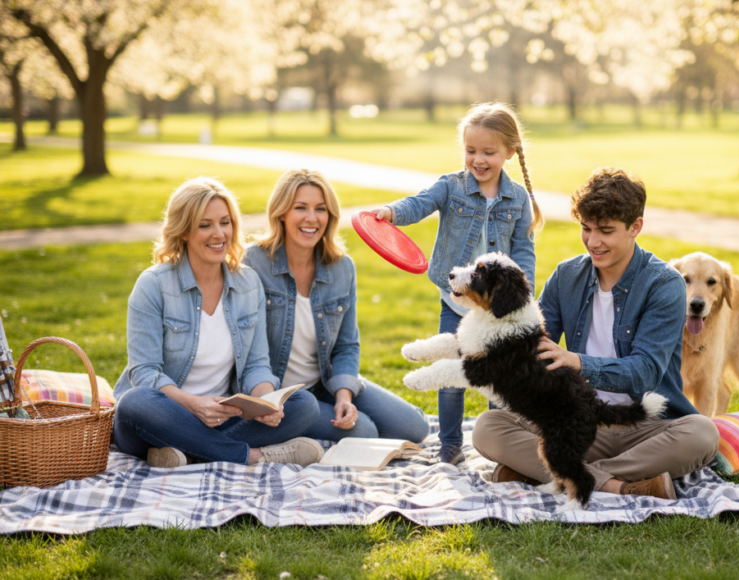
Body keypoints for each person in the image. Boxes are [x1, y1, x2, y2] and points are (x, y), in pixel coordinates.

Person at [472, 167, 720, 499]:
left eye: (605, 230)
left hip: (643, 427)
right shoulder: (566, 276)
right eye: (586, 228)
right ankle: (619, 486)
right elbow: (529, 343)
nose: (593, 241)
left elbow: (644, 373)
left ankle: (553, 472)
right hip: (574, 421)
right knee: (489, 427)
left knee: (703, 433)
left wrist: (577, 362)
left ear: (636, 227)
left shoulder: (664, 284)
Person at [374, 102, 543, 464]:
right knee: (451, 371)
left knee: (497, 378)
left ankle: (502, 443)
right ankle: (451, 443)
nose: (477, 160)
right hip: (456, 301)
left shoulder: (516, 200)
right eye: (470, 151)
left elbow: (523, 251)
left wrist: (521, 293)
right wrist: (392, 213)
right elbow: (420, 203)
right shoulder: (451, 187)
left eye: (488, 152)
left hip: (495, 308)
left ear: (509, 153)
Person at [113, 177, 323, 468]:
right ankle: (248, 455)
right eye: (205, 225)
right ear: (184, 231)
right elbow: (144, 372)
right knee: (134, 402)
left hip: (223, 418)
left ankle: (190, 453)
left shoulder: (247, 282)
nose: (218, 234)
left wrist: (266, 402)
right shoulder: (154, 284)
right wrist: (193, 405)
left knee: (304, 406)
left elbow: (256, 364)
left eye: (225, 222)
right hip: (163, 415)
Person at [243, 169, 429, 444]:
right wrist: (267, 399)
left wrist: (344, 395)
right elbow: (246, 347)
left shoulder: (342, 268)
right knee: (365, 431)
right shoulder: (256, 262)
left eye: (321, 209)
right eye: (300, 208)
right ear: (281, 212)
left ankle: (312, 422)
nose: (312, 218)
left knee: (415, 428)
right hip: (275, 390)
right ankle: (289, 433)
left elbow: (346, 345)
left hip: (324, 381)